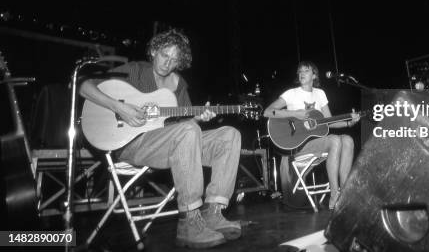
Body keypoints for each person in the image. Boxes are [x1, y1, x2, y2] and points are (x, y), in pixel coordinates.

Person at [79, 29, 241, 249]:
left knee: (229, 135)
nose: (168, 63)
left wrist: (198, 117)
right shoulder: (135, 70)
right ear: (154, 50)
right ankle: (189, 222)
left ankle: (213, 212)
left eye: (174, 60)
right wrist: (119, 107)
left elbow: (184, 126)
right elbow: (84, 87)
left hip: (170, 145)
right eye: (165, 55)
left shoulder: (180, 85)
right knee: (187, 130)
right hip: (130, 143)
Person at [264, 61, 360, 210]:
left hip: (318, 142)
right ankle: (334, 194)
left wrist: (349, 123)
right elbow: (268, 112)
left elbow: (329, 121)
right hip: (298, 146)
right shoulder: (291, 93)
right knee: (335, 140)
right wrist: (295, 113)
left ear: (314, 75)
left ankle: (345, 192)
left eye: (306, 71)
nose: (301, 74)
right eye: (299, 71)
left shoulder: (320, 94)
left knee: (348, 140)